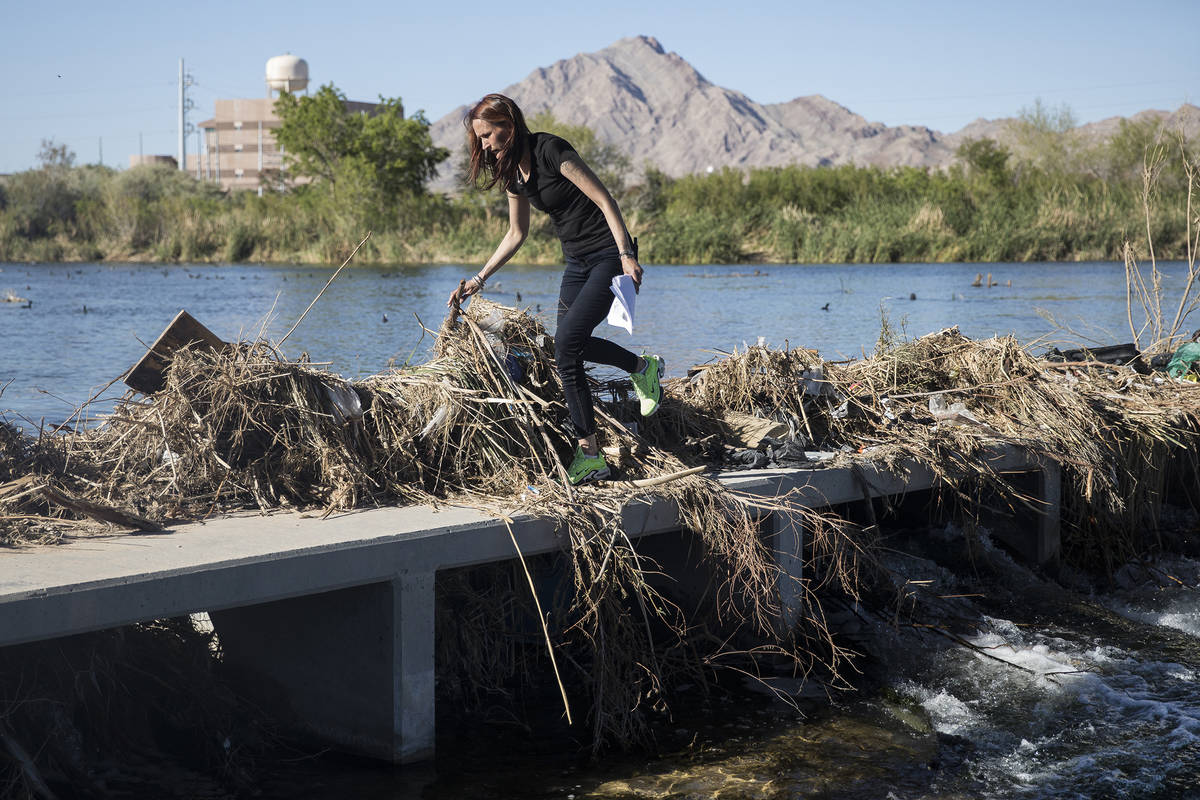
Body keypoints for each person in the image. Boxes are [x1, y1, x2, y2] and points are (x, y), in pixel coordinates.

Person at [447, 93, 662, 486]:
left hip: (608, 257)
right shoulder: (513, 172)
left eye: (488, 135)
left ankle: (593, 448)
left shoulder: (550, 150)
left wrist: (627, 254)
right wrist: (478, 280)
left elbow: (605, 198)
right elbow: (516, 234)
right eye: (478, 139)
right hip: (577, 263)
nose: (483, 145)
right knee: (565, 349)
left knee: (567, 343)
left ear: (509, 126)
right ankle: (638, 375)